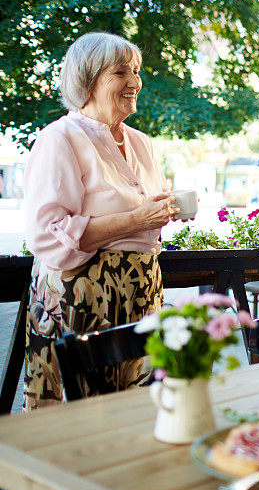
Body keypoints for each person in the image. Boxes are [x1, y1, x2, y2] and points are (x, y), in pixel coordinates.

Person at [24, 32, 179, 410]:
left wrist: (160, 212)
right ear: (88, 80)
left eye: (137, 71)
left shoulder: (141, 142)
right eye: (121, 72)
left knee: (145, 410)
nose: (135, 81)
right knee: (83, 420)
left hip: (142, 290)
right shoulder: (60, 137)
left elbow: (143, 214)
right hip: (81, 295)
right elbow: (46, 237)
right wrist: (137, 217)